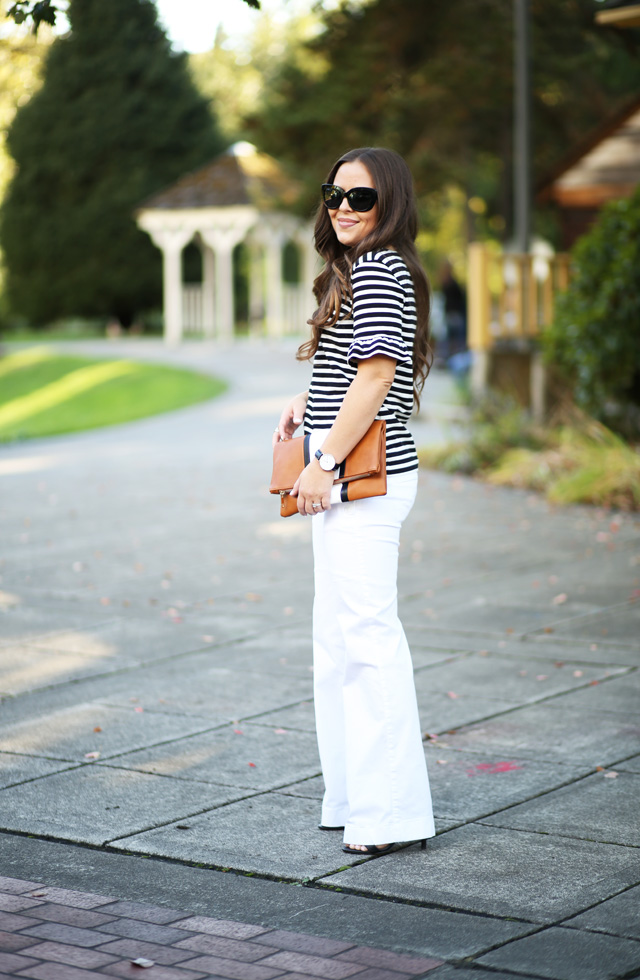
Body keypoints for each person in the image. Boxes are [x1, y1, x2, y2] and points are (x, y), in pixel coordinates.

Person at [273, 147, 435, 856]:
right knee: (338, 646)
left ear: (389, 204)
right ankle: (353, 799)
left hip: (364, 481)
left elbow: (375, 379)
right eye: (335, 193)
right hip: (350, 481)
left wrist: (323, 461)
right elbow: (349, 366)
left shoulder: (381, 269)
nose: (343, 206)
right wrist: (303, 403)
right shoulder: (357, 272)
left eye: (360, 198)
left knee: (366, 644)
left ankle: (392, 817)